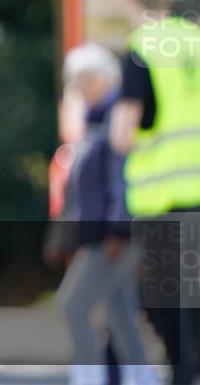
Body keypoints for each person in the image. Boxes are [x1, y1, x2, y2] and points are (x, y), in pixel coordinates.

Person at [109, 0, 200, 385]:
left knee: (171, 308)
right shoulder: (195, 39)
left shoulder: (142, 48)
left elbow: (124, 133)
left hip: (164, 200)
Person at [55, 43, 161, 385]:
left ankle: (88, 377)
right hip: (104, 234)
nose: (80, 86)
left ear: (106, 77)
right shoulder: (91, 121)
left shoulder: (115, 116)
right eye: (75, 80)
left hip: (113, 236)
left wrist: (117, 230)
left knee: (72, 306)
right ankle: (143, 378)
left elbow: (121, 178)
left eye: (87, 78)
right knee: (120, 315)